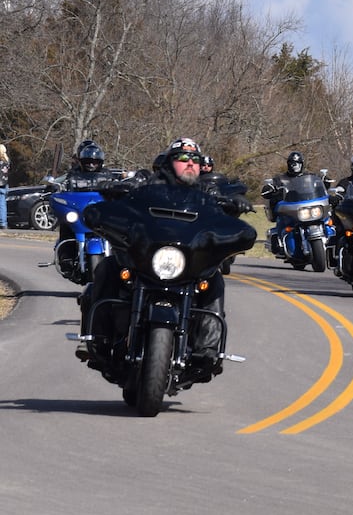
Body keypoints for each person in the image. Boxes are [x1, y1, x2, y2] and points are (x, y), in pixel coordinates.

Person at [78, 138, 242, 363]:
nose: (190, 164)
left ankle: (208, 350)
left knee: (214, 281)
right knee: (108, 268)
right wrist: (118, 188)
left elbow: (224, 204)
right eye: (182, 158)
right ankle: (97, 337)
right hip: (147, 256)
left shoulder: (206, 191)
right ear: (169, 162)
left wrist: (234, 203)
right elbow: (132, 186)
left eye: (195, 159)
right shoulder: (149, 181)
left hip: (187, 261)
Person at [262, 151, 329, 254]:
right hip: (291, 208)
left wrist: (324, 180)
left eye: (297, 163)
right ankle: (280, 242)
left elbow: (319, 183)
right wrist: (270, 188)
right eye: (292, 163)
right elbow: (271, 188)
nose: (295, 166)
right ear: (288, 164)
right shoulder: (281, 179)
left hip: (308, 205)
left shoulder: (309, 176)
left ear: (302, 164)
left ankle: (329, 241)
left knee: (327, 219)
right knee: (282, 219)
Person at [0, 142, 9, 230]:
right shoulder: (7, 161)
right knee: (2, 204)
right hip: (4, 183)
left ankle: (2, 222)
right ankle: (3, 223)